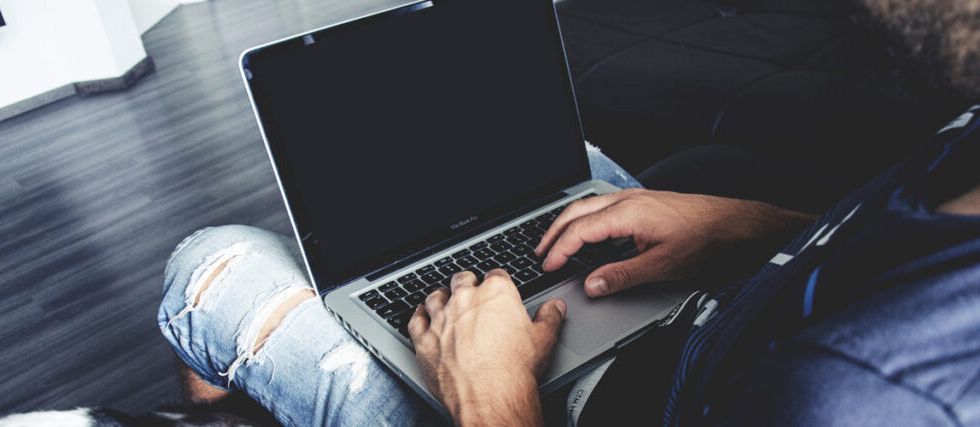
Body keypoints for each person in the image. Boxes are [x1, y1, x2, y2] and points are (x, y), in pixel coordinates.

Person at [158, 0, 980, 425]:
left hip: (555, 404)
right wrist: (751, 224)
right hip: (699, 319)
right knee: (553, 176)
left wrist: (493, 390)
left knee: (209, 263)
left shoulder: (860, 398)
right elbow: (882, 253)